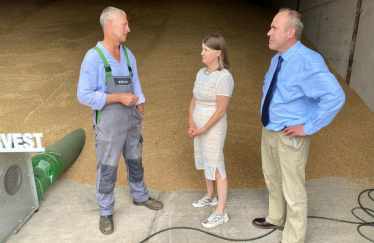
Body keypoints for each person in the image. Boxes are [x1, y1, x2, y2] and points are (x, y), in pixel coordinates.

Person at [252, 8, 345, 243]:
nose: (268, 32)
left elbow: (335, 96)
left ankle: (293, 238)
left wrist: (308, 126)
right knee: (272, 178)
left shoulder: (307, 61)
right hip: (270, 130)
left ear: (290, 32)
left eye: (274, 28)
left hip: (290, 135)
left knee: (293, 189)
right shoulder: (277, 59)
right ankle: (275, 217)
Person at [77, 6, 163, 235]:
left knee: (135, 160)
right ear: (110, 25)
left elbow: (135, 81)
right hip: (109, 123)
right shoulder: (93, 58)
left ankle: (140, 196)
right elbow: (83, 95)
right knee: (108, 167)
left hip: (131, 118)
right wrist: (117, 97)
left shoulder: (127, 54)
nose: (129, 29)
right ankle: (105, 211)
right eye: (124, 24)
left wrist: (140, 101)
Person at [188, 33, 234, 228]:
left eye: (206, 50)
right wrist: (191, 122)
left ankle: (221, 212)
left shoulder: (224, 77)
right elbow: (194, 98)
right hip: (198, 127)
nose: (202, 53)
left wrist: (204, 129)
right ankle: (210, 196)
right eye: (202, 49)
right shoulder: (201, 73)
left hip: (213, 129)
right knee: (205, 160)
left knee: (215, 166)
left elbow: (221, 110)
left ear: (218, 53)